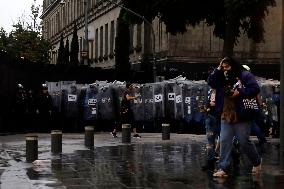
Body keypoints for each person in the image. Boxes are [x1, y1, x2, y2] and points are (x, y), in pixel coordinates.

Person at [207, 57, 262, 177]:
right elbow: (210, 81)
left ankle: (257, 162)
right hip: (226, 113)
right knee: (224, 140)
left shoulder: (244, 75)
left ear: (233, 65)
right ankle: (223, 168)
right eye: (223, 67)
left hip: (241, 113)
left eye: (227, 66)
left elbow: (255, 88)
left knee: (243, 141)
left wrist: (240, 92)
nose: (225, 69)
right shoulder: (221, 76)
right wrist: (218, 68)